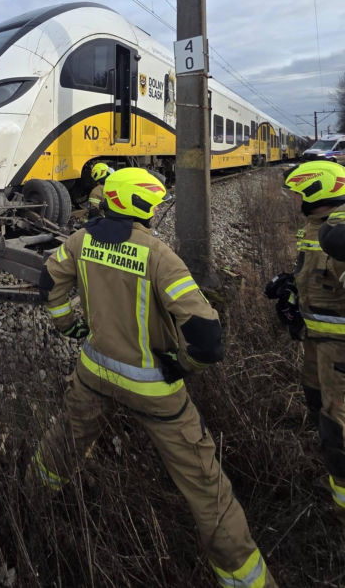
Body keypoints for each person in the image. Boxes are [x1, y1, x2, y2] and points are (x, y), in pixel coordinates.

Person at [29, 167, 276, 587]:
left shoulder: (80, 240)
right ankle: (245, 578)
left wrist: (68, 326)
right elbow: (207, 339)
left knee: (63, 443)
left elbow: (48, 282)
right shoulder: (159, 256)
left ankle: (32, 500)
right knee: (206, 488)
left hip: (94, 370)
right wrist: (184, 365)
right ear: (143, 208)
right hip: (153, 389)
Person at [269, 161, 345, 517]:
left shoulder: (340, 231)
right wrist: (292, 292)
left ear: (317, 193)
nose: (297, 200)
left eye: (300, 194)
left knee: (338, 426)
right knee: (317, 405)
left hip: (339, 351)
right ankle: (332, 477)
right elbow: (316, 275)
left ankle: (340, 507)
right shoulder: (315, 227)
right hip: (316, 343)